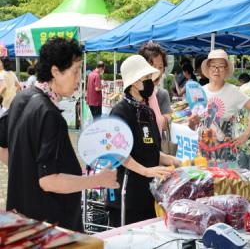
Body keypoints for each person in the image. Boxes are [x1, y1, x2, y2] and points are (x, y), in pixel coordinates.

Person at [1, 37, 118, 231]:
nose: (78, 78)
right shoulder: (49, 114)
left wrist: (24, 169)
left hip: (21, 221)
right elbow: (49, 181)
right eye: (75, 71)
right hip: (50, 227)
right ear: (55, 71)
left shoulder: (22, 98)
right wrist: (97, 180)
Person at [106, 55, 180, 226]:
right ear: (133, 83)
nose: (150, 83)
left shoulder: (148, 113)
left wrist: (175, 161)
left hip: (149, 193)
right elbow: (118, 153)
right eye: (145, 78)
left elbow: (151, 151)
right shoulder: (120, 112)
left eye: (150, 79)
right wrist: (146, 171)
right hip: (126, 194)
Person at [189, 49, 250, 168]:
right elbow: (193, 126)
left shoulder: (233, 91)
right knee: (205, 186)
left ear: (226, 69)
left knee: (226, 186)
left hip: (226, 156)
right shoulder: (201, 91)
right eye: (213, 66)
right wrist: (191, 123)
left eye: (221, 66)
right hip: (203, 155)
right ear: (208, 67)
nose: (216, 70)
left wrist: (246, 135)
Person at [138, 42, 172, 134]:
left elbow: (165, 125)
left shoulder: (162, 94)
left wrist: (165, 118)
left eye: (160, 67)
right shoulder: (133, 93)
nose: (157, 71)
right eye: (152, 66)